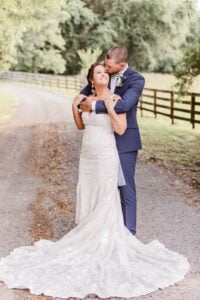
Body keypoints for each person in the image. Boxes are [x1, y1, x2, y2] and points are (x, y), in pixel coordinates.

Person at [0, 63, 189, 299]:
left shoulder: (114, 98)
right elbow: (80, 126)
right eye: (99, 73)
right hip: (87, 156)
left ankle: (103, 241)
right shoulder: (86, 99)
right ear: (91, 80)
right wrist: (74, 108)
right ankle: (86, 235)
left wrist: (109, 108)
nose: (103, 74)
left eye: (105, 72)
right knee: (88, 194)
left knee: (105, 196)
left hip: (106, 155)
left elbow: (120, 129)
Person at [76, 47, 144, 235]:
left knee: (125, 186)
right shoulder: (106, 72)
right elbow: (86, 93)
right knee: (102, 185)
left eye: (109, 66)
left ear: (121, 65)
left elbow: (123, 105)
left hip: (124, 138)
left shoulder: (136, 79)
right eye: (104, 65)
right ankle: (101, 228)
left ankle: (128, 232)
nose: (105, 69)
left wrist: (96, 105)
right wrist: (80, 102)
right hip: (102, 139)